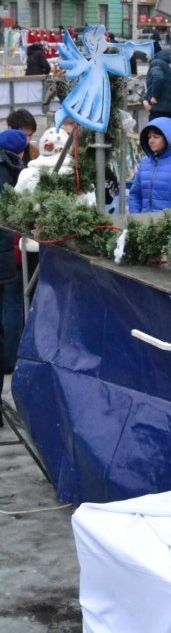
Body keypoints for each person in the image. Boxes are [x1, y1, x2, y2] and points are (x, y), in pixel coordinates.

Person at [0, 130, 27, 426]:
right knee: (10, 310)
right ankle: (9, 359)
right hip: (6, 259)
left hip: (7, 257)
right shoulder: (9, 171)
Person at [128, 117, 171, 213]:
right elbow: (135, 195)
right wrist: (136, 219)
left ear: (168, 139)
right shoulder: (144, 163)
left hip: (169, 226)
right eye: (149, 137)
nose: (151, 140)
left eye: (156, 137)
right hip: (144, 226)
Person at [143, 48, 171, 121]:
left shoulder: (156, 63)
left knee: (155, 130)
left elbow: (158, 78)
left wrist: (155, 97)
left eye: (147, 54)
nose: (146, 56)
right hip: (166, 107)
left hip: (159, 107)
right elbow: (152, 85)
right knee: (163, 129)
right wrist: (146, 99)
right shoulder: (163, 64)